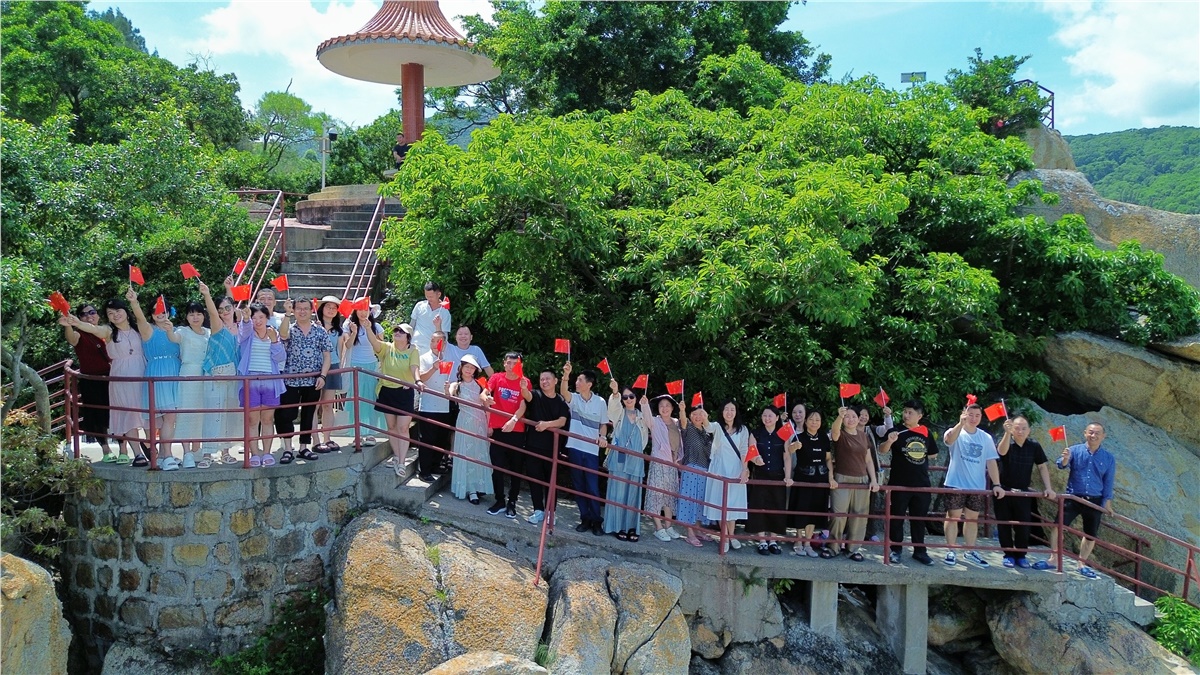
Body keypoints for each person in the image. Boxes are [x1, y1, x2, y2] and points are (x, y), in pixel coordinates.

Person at [69, 298, 149, 465]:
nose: (115, 315)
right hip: (121, 377)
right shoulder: (109, 331)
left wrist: (134, 302)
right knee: (127, 414)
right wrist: (76, 323)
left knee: (148, 413)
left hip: (142, 373)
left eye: (118, 310)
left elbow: (143, 320)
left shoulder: (138, 329)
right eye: (110, 313)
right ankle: (137, 453)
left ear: (125, 311)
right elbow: (93, 329)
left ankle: (152, 448)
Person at [1038, 422, 1116, 579]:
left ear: (1103, 436)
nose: (1093, 435)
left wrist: (1107, 503)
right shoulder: (1074, 450)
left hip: (1094, 500)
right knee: (1058, 526)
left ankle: (1082, 563)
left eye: (1097, 433)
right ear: (1085, 433)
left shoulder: (1108, 458)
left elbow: (1108, 481)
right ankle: (1054, 558)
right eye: (1091, 432)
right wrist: (1065, 459)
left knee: (1090, 534)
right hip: (1073, 497)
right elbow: (1061, 465)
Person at [127, 288, 182, 471]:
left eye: (164, 310)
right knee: (169, 417)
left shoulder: (176, 330)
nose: (160, 313)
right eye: (156, 310)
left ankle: (165, 455)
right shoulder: (148, 329)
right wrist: (134, 302)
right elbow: (140, 318)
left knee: (171, 418)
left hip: (176, 372)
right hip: (159, 373)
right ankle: (167, 455)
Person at [878, 401, 939, 566]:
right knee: (896, 518)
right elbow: (882, 450)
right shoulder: (896, 430)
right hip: (899, 482)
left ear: (919, 416)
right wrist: (890, 441)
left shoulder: (925, 431)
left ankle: (920, 551)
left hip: (921, 483)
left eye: (910, 412)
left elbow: (933, 453)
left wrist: (918, 454)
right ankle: (895, 549)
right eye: (905, 411)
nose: (906, 415)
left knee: (919, 519)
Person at [942, 403, 1003, 567]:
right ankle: (951, 549)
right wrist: (960, 424)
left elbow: (991, 462)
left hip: (977, 485)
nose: (974, 418)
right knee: (953, 516)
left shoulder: (986, 437)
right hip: (955, 483)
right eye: (971, 414)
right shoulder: (954, 431)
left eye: (977, 415)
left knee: (972, 519)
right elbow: (948, 440)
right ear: (964, 414)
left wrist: (997, 484)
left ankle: (969, 550)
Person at [994, 415, 1055, 569]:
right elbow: (1001, 452)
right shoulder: (1007, 442)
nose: (1020, 431)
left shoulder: (1034, 446)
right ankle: (1008, 555)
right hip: (1004, 490)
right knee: (1004, 524)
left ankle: (1021, 555)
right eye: (1016, 428)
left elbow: (1042, 466)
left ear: (1029, 430)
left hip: (1023, 492)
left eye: (1023, 428)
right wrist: (1007, 433)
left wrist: (1048, 488)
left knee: (1024, 526)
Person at [276, 298, 331, 463]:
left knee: (309, 413)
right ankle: (288, 448)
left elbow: (327, 355)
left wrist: (323, 376)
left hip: (313, 380)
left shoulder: (320, 331)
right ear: (294, 310)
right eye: (298, 308)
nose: (302, 311)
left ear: (311, 310)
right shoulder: (290, 328)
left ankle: (304, 447)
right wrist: (287, 314)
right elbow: (282, 335)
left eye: (306, 308)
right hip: (291, 379)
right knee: (287, 414)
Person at [703, 401, 762, 553]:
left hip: (736, 468)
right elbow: (708, 427)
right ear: (722, 411)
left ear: (736, 412)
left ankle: (732, 535)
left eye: (732, 409)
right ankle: (726, 537)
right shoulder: (717, 426)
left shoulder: (743, 429)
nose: (729, 412)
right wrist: (704, 418)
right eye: (726, 409)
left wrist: (745, 469)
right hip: (719, 468)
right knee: (720, 502)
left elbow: (744, 450)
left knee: (732, 503)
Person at [560, 361, 609, 535]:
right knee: (578, 485)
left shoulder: (600, 402)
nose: (577, 383)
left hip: (591, 451)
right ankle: (585, 518)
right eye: (576, 380)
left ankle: (596, 521)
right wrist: (566, 375)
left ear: (589, 384)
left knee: (592, 487)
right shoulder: (574, 399)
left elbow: (604, 424)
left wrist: (603, 436)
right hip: (574, 447)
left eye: (580, 380)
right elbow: (564, 392)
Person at [364, 323, 419, 476]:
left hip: (405, 391)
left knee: (403, 428)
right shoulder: (387, 347)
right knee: (392, 426)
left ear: (408, 337)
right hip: (387, 391)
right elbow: (374, 342)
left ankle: (401, 462)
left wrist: (418, 380)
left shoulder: (413, 350)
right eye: (396, 330)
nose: (397, 332)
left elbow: (414, 367)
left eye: (401, 331)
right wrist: (368, 328)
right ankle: (397, 456)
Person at [59, 304, 113, 460]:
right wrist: (68, 325)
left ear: (98, 315)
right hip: (91, 380)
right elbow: (71, 339)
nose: (89, 316)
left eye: (92, 312)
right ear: (79, 318)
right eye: (83, 314)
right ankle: (106, 450)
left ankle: (124, 448)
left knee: (117, 413)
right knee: (97, 416)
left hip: (111, 378)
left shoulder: (106, 331)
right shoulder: (80, 334)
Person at [236, 302, 286, 466]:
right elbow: (244, 330)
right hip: (250, 380)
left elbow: (280, 358)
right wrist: (245, 319)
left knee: (268, 419)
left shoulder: (273, 333)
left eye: (261, 317)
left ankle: (267, 452)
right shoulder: (247, 334)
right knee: (252, 420)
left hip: (270, 380)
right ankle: (254, 454)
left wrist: (274, 341)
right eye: (254, 317)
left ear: (267, 318)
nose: (257, 321)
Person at [482, 352, 530, 518]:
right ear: (504, 363)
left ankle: (512, 502)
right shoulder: (497, 377)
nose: (511, 366)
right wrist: (486, 398)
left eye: (515, 363)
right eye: (508, 363)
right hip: (498, 430)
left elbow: (523, 404)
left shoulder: (524, 381)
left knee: (516, 469)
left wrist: (514, 420)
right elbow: (485, 392)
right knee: (497, 467)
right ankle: (499, 500)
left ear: (520, 365)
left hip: (516, 431)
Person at [829, 405, 879, 561]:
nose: (850, 419)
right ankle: (833, 547)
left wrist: (874, 480)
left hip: (862, 479)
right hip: (842, 478)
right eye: (847, 416)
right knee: (838, 515)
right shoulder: (841, 434)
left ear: (858, 419)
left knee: (859, 516)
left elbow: (868, 460)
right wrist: (839, 416)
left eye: (853, 416)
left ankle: (853, 549)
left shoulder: (864, 436)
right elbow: (834, 431)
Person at [602, 382, 650, 541]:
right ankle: (617, 526)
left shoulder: (642, 415)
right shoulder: (619, 413)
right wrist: (615, 392)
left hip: (636, 459)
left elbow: (651, 424)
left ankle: (631, 527)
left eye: (631, 396)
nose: (628, 399)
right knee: (617, 492)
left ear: (636, 397)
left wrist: (646, 406)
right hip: (619, 457)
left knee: (633, 494)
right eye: (625, 397)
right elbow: (611, 409)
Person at [522, 369, 569, 525]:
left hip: (552, 448)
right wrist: (523, 388)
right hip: (533, 445)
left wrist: (546, 425)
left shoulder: (561, 400)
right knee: (534, 479)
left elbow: (562, 421)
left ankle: (551, 512)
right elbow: (527, 396)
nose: (544, 382)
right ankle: (538, 510)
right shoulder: (536, 394)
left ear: (555, 381)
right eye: (542, 379)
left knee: (551, 481)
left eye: (547, 379)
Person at [200, 283, 240, 465]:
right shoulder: (218, 326)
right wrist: (207, 294)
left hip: (233, 376)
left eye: (228, 308)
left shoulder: (239, 327)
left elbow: (231, 302)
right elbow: (212, 313)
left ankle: (225, 452)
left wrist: (229, 289)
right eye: (221, 309)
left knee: (228, 415)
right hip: (215, 375)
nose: (225, 312)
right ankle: (207, 454)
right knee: (212, 413)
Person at [448, 354, 492, 504]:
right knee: (466, 454)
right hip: (464, 421)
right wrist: (447, 389)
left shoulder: (480, 385)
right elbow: (450, 395)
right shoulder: (456, 385)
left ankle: (480, 486)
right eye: (466, 367)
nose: (469, 370)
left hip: (480, 422)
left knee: (480, 453)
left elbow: (486, 404)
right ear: (461, 368)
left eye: (472, 368)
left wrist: (489, 424)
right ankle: (470, 489)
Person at [788, 408, 832, 558]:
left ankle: (807, 543)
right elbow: (789, 450)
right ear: (806, 421)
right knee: (802, 509)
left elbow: (828, 459)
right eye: (811, 419)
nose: (814, 422)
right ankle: (798, 541)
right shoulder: (798, 437)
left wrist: (831, 477)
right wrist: (794, 446)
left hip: (820, 478)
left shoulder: (824, 438)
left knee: (814, 511)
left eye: (817, 420)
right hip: (804, 478)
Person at [748, 405, 790, 555]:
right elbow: (751, 451)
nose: (767, 418)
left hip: (778, 476)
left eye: (770, 416)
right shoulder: (756, 433)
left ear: (777, 418)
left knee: (776, 506)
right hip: (760, 475)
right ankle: (762, 541)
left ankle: (773, 540)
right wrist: (756, 459)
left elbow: (787, 456)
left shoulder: (783, 433)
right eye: (764, 415)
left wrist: (788, 476)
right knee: (759, 506)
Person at [174, 299, 211, 468]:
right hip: (188, 373)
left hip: (206, 374)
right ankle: (186, 452)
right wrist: (168, 329)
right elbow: (173, 337)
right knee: (186, 412)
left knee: (202, 413)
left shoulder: (209, 332)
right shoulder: (182, 331)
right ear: (186, 317)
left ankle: (197, 449)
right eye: (191, 314)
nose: (195, 317)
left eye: (198, 314)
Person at [342, 299, 384, 446]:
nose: (363, 312)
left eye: (366, 309)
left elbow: (380, 347)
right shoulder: (348, 325)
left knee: (371, 399)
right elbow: (347, 345)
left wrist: (368, 329)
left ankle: (371, 433)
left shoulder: (376, 327)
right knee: (356, 400)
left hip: (372, 366)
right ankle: (357, 434)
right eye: (359, 309)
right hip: (354, 366)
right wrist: (354, 332)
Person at [415, 331, 452, 481]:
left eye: (439, 341)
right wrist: (433, 368)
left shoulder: (448, 359)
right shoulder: (423, 358)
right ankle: (424, 470)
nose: (436, 344)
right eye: (433, 341)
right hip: (428, 405)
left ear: (444, 343)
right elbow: (420, 378)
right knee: (427, 439)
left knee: (441, 438)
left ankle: (436, 465)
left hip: (444, 405)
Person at [646, 395, 683, 542]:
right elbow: (646, 418)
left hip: (672, 465)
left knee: (670, 497)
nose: (664, 408)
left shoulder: (676, 423)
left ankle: (668, 526)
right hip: (659, 462)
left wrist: (683, 410)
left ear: (672, 408)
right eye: (661, 405)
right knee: (656, 495)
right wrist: (644, 405)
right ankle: (658, 528)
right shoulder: (655, 421)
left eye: (668, 405)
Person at [314, 296, 345, 453]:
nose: (331, 310)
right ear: (322, 308)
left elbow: (340, 351)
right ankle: (315, 439)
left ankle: (327, 437)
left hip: (333, 366)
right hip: (315, 366)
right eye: (328, 307)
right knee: (313, 405)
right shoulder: (313, 326)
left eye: (334, 308)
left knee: (328, 404)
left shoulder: (338, 330)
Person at [409, 281, 451, 354]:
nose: (429, 299)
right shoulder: (419, 305)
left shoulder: (444, 312)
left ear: (439, 294)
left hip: (430, 351)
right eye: (427, 296)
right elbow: (411, 326)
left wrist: (438, 326)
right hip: (414, 346)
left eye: (431, 296)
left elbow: (444, 337)